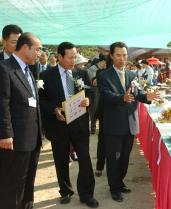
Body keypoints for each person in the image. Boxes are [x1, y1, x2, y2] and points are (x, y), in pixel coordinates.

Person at [39, 42, 98, 208]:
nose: (74, 60)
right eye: (71, 57)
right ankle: (65, 191)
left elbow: (90, 92)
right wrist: (54, 109)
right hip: (59, 124)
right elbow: (41, 100)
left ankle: (86, 194)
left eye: (75, 57)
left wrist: (88, 100)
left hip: (79, 123)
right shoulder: (47, 76)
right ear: (60, 57)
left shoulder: (82, 72)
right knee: (61, 160)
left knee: (85, 159)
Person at [97, 41, 159, 202]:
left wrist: (147, 97)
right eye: (118, 55)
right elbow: (105, 95)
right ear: (111, 55)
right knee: (113, 158)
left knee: (124, 157)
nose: (122, 58)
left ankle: (120, 182)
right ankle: (114, 188)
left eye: (124, 55)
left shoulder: (132, 75)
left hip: (130, 123)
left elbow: (137, 93)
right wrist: (121, 98)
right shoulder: (103, 75)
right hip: (113, 124)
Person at [0, 32, 42, 209]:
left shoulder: (28, 70)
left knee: (28, 181)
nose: (40, 53)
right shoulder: (5, 69)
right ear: (25, 47)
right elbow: (2, 103)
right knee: (13, 185)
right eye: (38, 49)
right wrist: (5, 134)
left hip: (32, 138)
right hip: (15, 140)